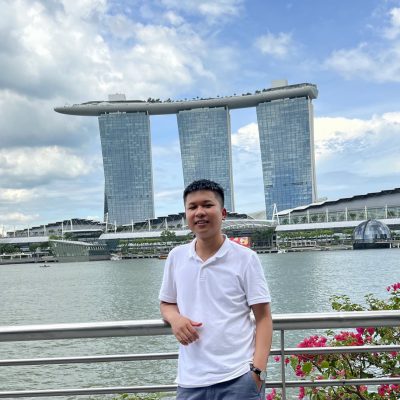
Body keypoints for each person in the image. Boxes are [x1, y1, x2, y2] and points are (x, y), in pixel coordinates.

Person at [159, 179, 272, 400]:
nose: (199, 212)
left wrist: (258, 372)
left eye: (207, 205)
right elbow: (167, 302)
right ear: (186, 215)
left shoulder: (246, 258)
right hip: (190, 381)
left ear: (223, 213)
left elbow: (263, 317)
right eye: (192, 207)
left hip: (239, 378)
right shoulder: (176, 257)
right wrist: (175, 319)